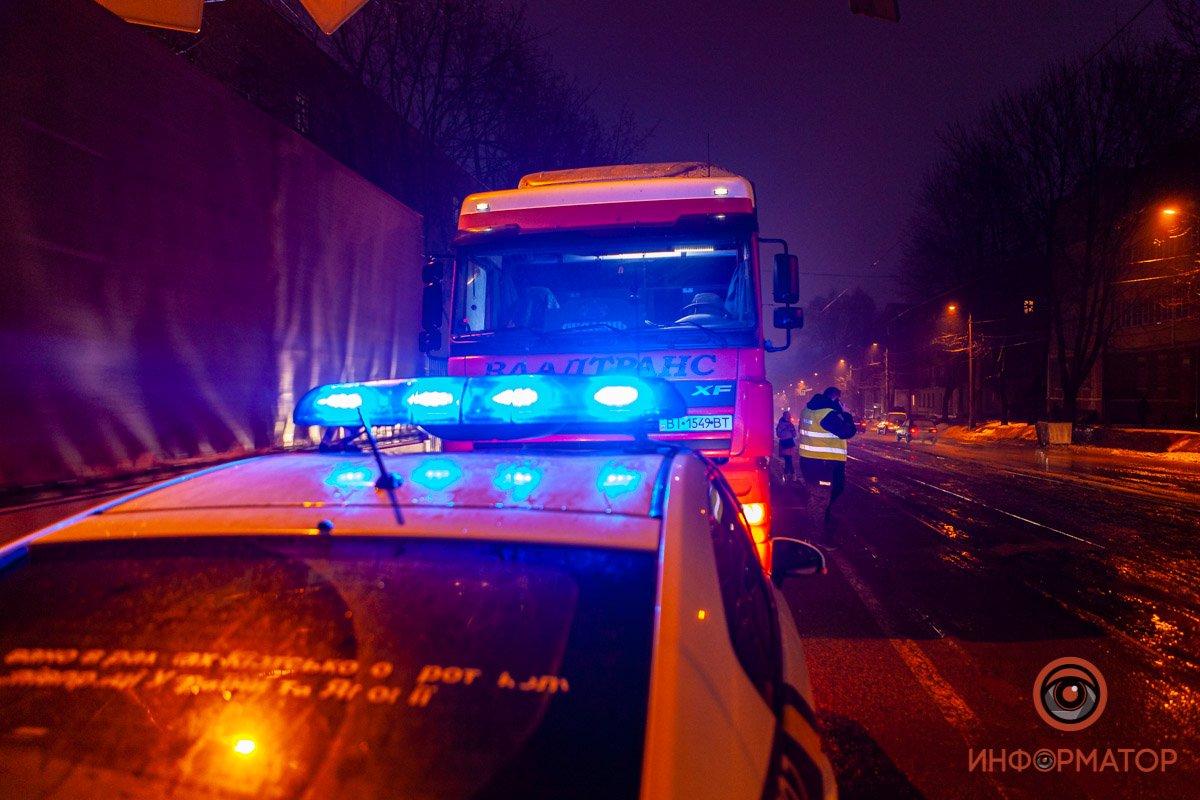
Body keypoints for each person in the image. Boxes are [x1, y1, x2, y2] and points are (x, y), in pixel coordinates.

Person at [798, 386, 856, 548]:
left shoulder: (807, 410)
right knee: (820, 499)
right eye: (839, 400)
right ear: (835, 399)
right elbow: (848, 432)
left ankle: (819, 525)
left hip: (813, 462)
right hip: (822, 464)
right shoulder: (826, 414)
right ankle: (817, 537)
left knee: (828, 494)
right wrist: (846, 414)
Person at [776, 411, 798, 481]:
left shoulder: (789, 425)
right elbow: (779, 434)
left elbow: (794, 434)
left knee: (788, 460)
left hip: (789, 443)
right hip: (786, 443)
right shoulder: (781, 424)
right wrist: (786, 430)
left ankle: (787, 475)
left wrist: (791, 430)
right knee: (788, 459)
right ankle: (791, 474)